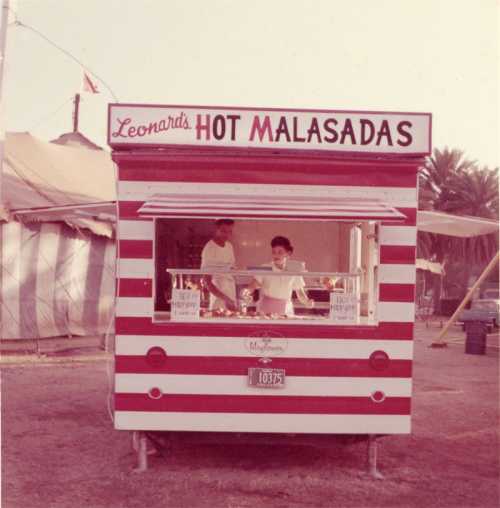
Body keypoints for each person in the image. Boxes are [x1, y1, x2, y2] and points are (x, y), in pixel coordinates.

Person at [243, 236, 314, 316]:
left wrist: (307, 302)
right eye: (274, 252)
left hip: (286, 311)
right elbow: (252, 285)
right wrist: (246, 293)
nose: (276, 255)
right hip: (266, 310)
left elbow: (300, 293)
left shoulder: (294, 270)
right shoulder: (265, 268)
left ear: (288, 253)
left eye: (280, 252)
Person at [200, 218, 237, 311]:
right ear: (216, 229)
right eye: (224, 231)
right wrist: (226, 299)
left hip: (231, 295)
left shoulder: (229, 246)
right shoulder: (209, 249)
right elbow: (207, 283)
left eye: (230, 231)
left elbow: (232, 271)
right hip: (219, 299)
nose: (227, 235)